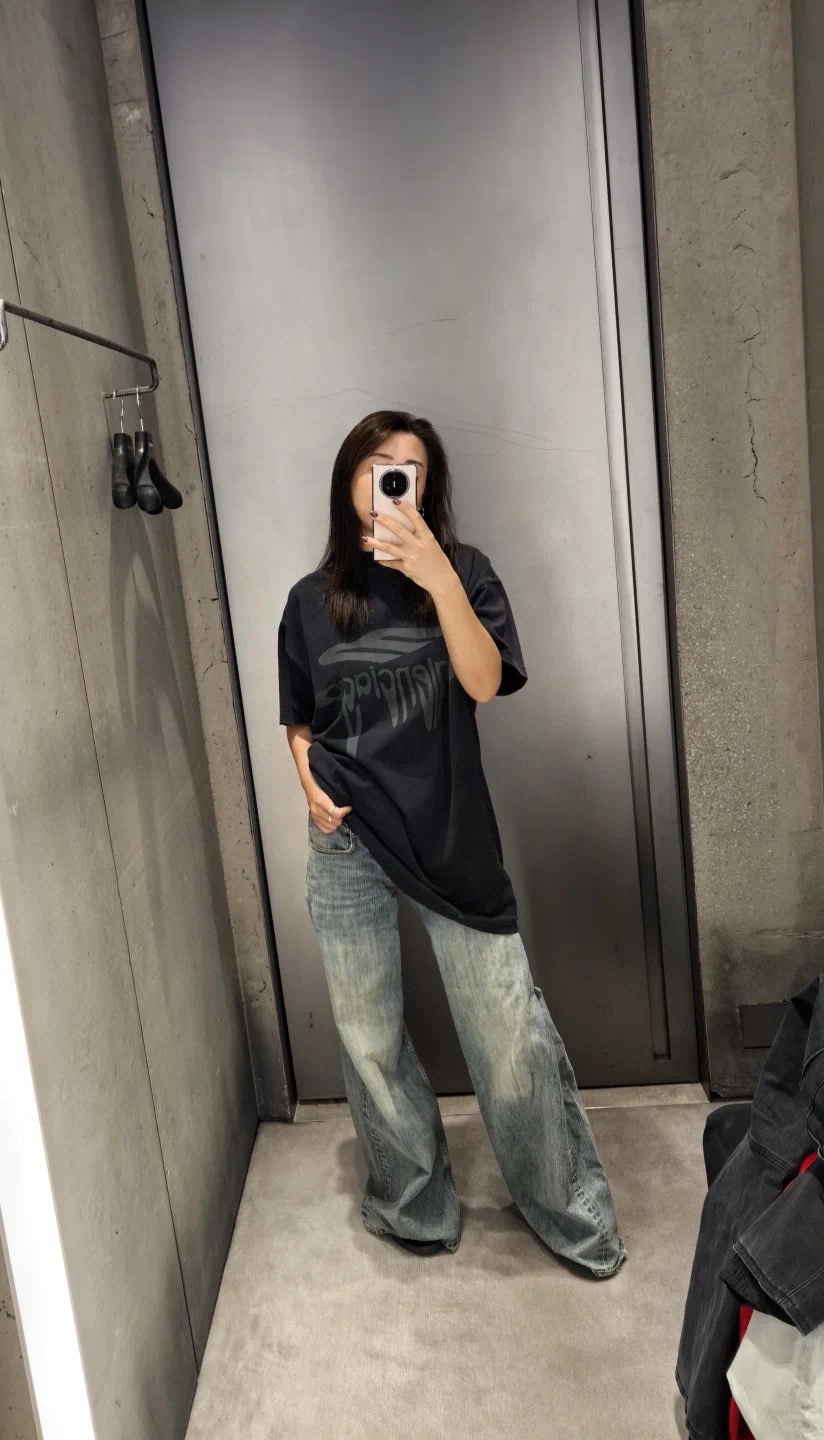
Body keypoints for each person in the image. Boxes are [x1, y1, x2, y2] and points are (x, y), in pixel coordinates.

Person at [277, 409, 627, 1277]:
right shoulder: (309, 602)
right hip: (348, 843)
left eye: (413, 469)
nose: (395, 479)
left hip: (450, 835)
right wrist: (307, 783)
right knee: (368, 1039)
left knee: (507, 1037)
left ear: (428, 488)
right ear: (349, 479)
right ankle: (415, 1205)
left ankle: (570, 1213)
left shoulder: (464, 572)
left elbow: (484, 680)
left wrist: (436, 577)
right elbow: (300, 718)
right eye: (378, 463)